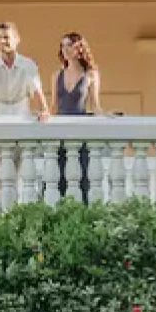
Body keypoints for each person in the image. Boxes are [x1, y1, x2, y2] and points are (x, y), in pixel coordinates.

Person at [0, 22, 50, 121]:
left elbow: (37, 91)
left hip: (21, 123)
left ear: (17, 39)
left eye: (6, 37)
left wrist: (44, 110)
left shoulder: (29, 65)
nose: (2, 41)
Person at [54, 33, 101, 201]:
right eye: (62, 46)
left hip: (80, 131)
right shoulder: (57, 75)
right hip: (59, 133)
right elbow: (54, 107)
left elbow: (95, 106)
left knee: (82, 177)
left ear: (78, 48)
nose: (64, 50)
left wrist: (106, 116)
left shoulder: (90, 75)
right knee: (57, 178)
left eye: (69, 46)